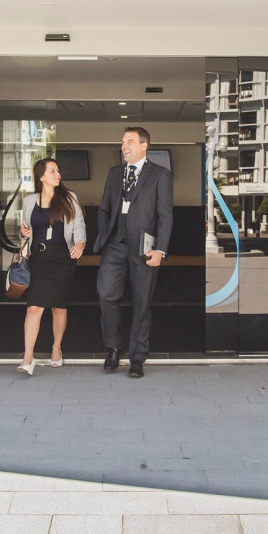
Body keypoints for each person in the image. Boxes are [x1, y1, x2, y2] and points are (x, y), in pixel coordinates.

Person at [94, 126, 173, 378]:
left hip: (144, 248)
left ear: (143, 145)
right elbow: (104, 209)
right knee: (106, 294)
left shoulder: (160, 175)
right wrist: (105, 233)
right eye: (122, 142)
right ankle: (114, 348)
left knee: (142, 303)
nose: (124, 146)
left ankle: (137, 357)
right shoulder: (114, 173)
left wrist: (161, 249)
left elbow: (165, 216)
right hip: (114, 246)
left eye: (129, 141)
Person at [15, 158, 87, 375]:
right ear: (41, 177)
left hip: (63, 258)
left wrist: (80, 244)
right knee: (34, 307)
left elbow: (79, 225)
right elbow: (25, 230)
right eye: (52, 171)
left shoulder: (69, 198)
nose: (58, 174)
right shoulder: (30, 201)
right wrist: (23, 232)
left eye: (58, 170)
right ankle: (28, 357)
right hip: (38, 258)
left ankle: (56, 348)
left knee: (58, 306)